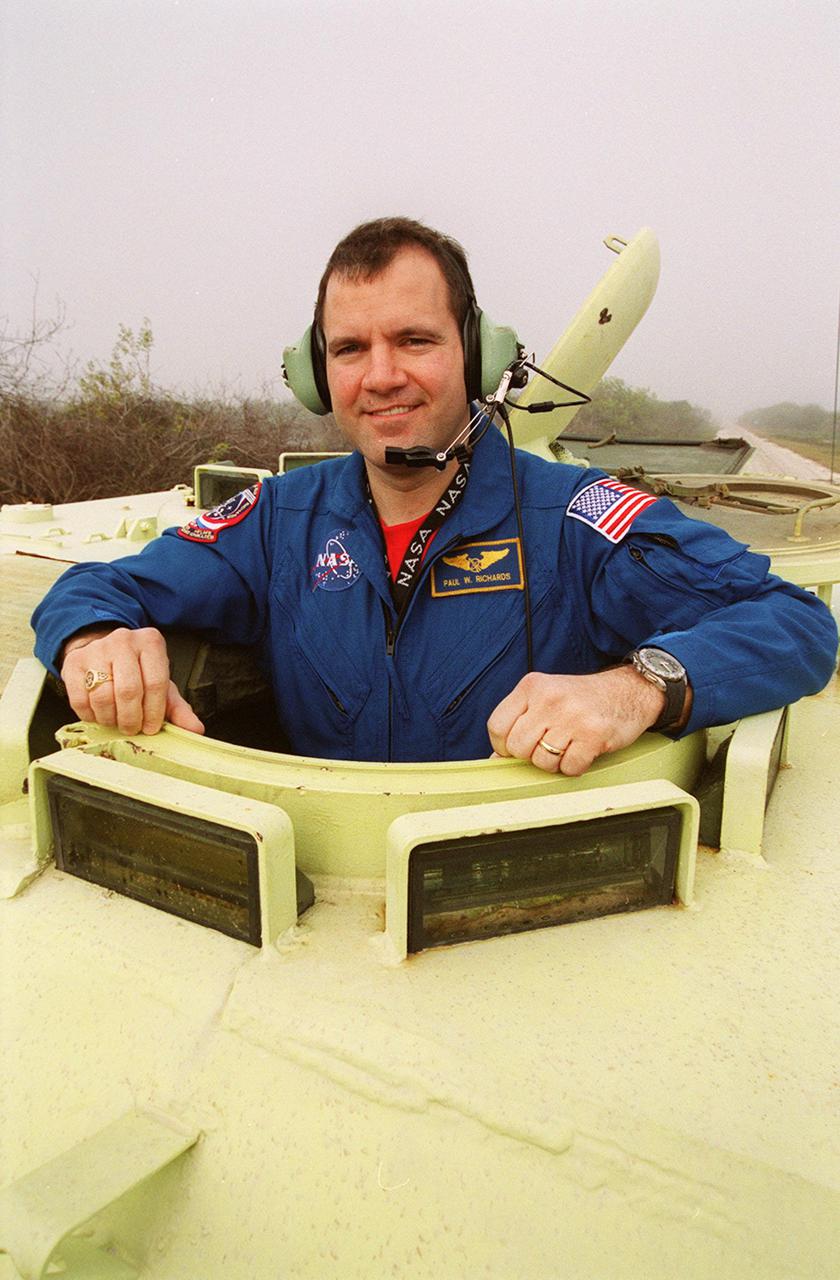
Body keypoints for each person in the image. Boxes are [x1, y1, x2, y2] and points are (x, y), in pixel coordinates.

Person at [32, 218, 837, 774]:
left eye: (414, 340)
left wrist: (637, 688)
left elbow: (797, 624)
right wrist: (93, 637)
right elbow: (94, 585)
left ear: (478, 356)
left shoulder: (574, 520)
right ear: (317, 376)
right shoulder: (278, 519)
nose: (381, 376)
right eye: (351, 349)